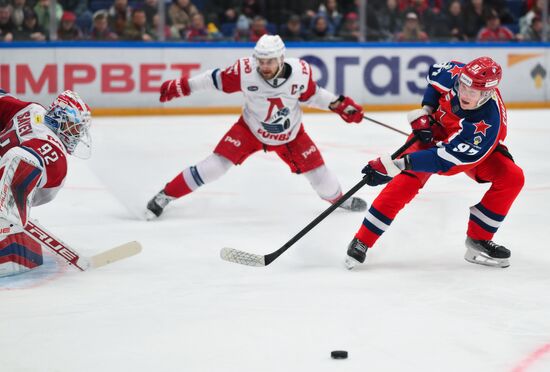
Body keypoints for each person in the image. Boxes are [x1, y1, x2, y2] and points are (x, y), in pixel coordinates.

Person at [146, 34, 367, 219]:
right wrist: (184, 86)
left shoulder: (300, 72)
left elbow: (313, 95)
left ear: (281, 58)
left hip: (290, 136)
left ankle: (339, 201)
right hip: (249, 130)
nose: (264, 66)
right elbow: (212, 79)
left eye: (269, 61)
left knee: (321, 177)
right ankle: (166, 195)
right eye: (261, 60)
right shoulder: (244, 71)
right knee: (215, 166)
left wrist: (340, 105)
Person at [345, 57, 524, 269]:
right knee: (405, 183)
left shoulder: (488, 123)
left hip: (468, 148)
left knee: (512, 177)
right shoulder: (455, 73)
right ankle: (362, 240)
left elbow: (444, 160)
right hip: (435, 131)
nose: (464, 94)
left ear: (486, 95)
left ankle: (479, 239)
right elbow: (434, 80)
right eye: (462, 86)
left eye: (472, 92)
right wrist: (426, 112)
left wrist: (396, 164)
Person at [0, 89, 92, 277]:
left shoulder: (32, 110)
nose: (77, 134)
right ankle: (6, 217)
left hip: (12, 182)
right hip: (12, 188)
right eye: (75, 127)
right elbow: (21, 160)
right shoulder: (54, 148)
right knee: (22, 160)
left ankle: (8, 213)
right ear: (60, 117)